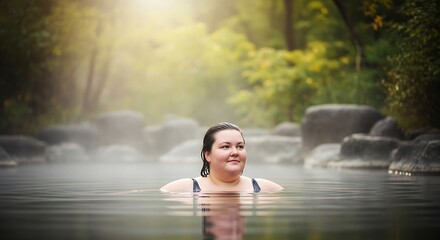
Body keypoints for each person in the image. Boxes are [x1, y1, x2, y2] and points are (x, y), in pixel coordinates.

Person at [160, 122, 283, 193]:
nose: (235, 152)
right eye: (225, 147)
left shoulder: (265, 188)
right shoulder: (183, 189)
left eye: (240, 146)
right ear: (207, 155)